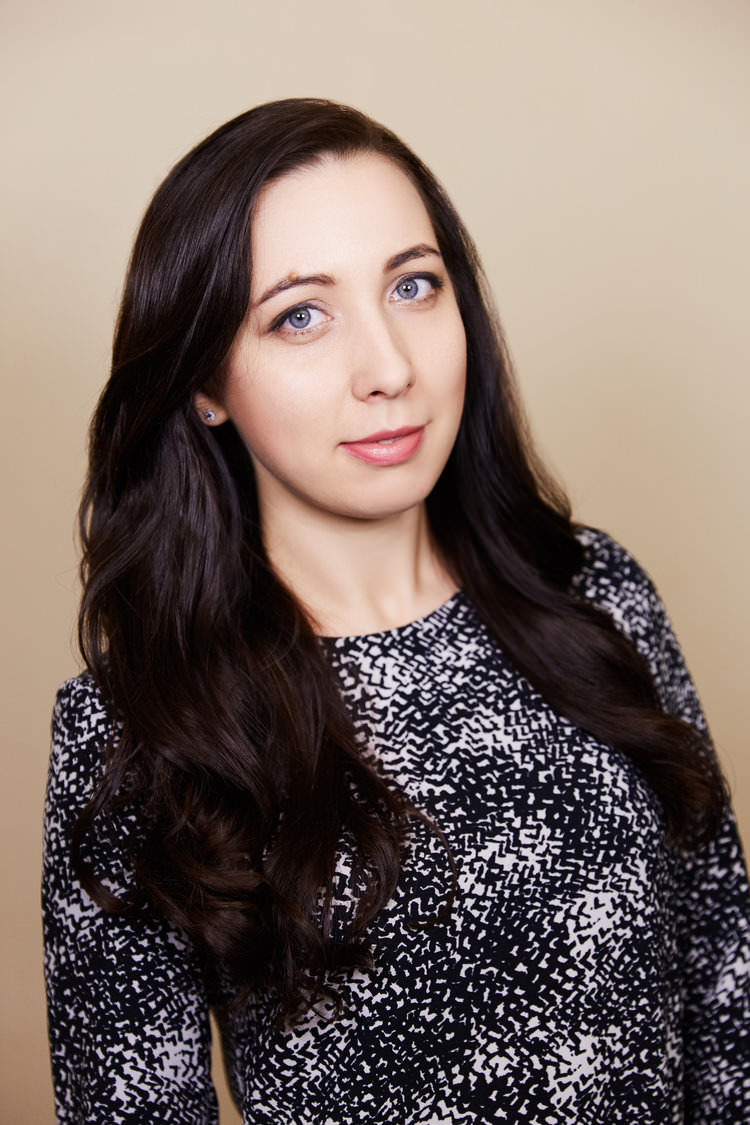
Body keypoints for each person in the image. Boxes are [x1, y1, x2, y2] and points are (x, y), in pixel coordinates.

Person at [42, 98, 750, 1125]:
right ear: (204, 383)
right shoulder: (135, 726)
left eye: (413, 286)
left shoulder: (593, 592)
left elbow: (728, 993)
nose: (390, 370)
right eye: (300, 315)